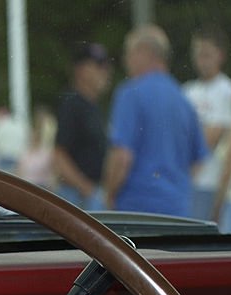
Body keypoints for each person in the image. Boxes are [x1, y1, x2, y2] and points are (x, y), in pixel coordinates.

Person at [102, 25, 208, 216]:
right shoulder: (184, 100)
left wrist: (108, 196)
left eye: (128, 52)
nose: (125, 60)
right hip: (178, 210)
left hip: (136, 209)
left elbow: (122, 157)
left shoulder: (130, 93)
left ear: (144, 52)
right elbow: (198, 160)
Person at [184, 28, 231, 221]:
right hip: (189, 181)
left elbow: (211, 138)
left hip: (209, 182)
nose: (202, 60)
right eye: (198, 54)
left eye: (207, 54)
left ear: (220, 56)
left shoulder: (226, 91)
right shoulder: (188, 90)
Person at [53, 42, 111, 209]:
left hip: (91, 193)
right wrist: (86, 188)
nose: (105, 71)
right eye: (99, 66)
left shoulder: (94, 107)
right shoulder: (72, 105)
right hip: (79, 197)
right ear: (81, 70)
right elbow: (59, 155)